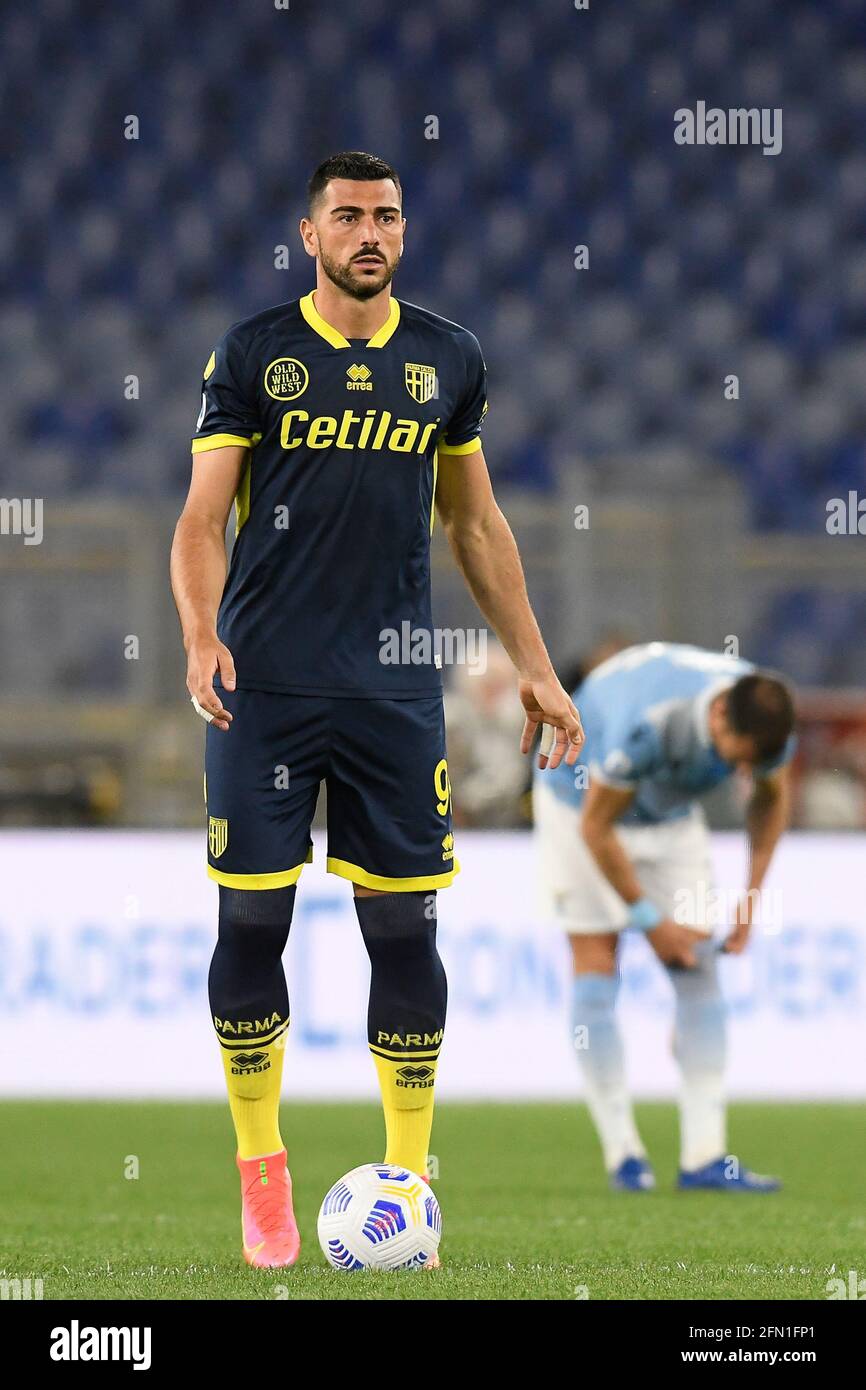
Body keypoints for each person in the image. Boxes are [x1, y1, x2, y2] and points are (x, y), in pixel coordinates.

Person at [170, 150, 583, 1268]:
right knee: (251, 924)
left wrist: (536, 666)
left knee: (403, 930)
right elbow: (203, 519)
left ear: (404, 232)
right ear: (308, 234)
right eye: (347, 215)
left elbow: (477, 526)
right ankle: (263, 1169)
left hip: (395, 691)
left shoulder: (449, 358)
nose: (369, 232)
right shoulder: (255, 354)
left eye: (387, 216)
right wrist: (203, 635)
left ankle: (406, 1178)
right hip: (264, 685)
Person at [533, 641, 795, 1192]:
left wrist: (750, 899)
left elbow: (770, 800)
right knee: (597, 964)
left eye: (751, 762)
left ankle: (704, 1157)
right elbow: (597, 829)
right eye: (734, 757)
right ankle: (624, 1155)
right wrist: (650, 920)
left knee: (699, 966)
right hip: (577, 803)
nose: (741, 771)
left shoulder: (768, 724)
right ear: (718, 713)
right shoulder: (650, 722)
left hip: (669, 815)